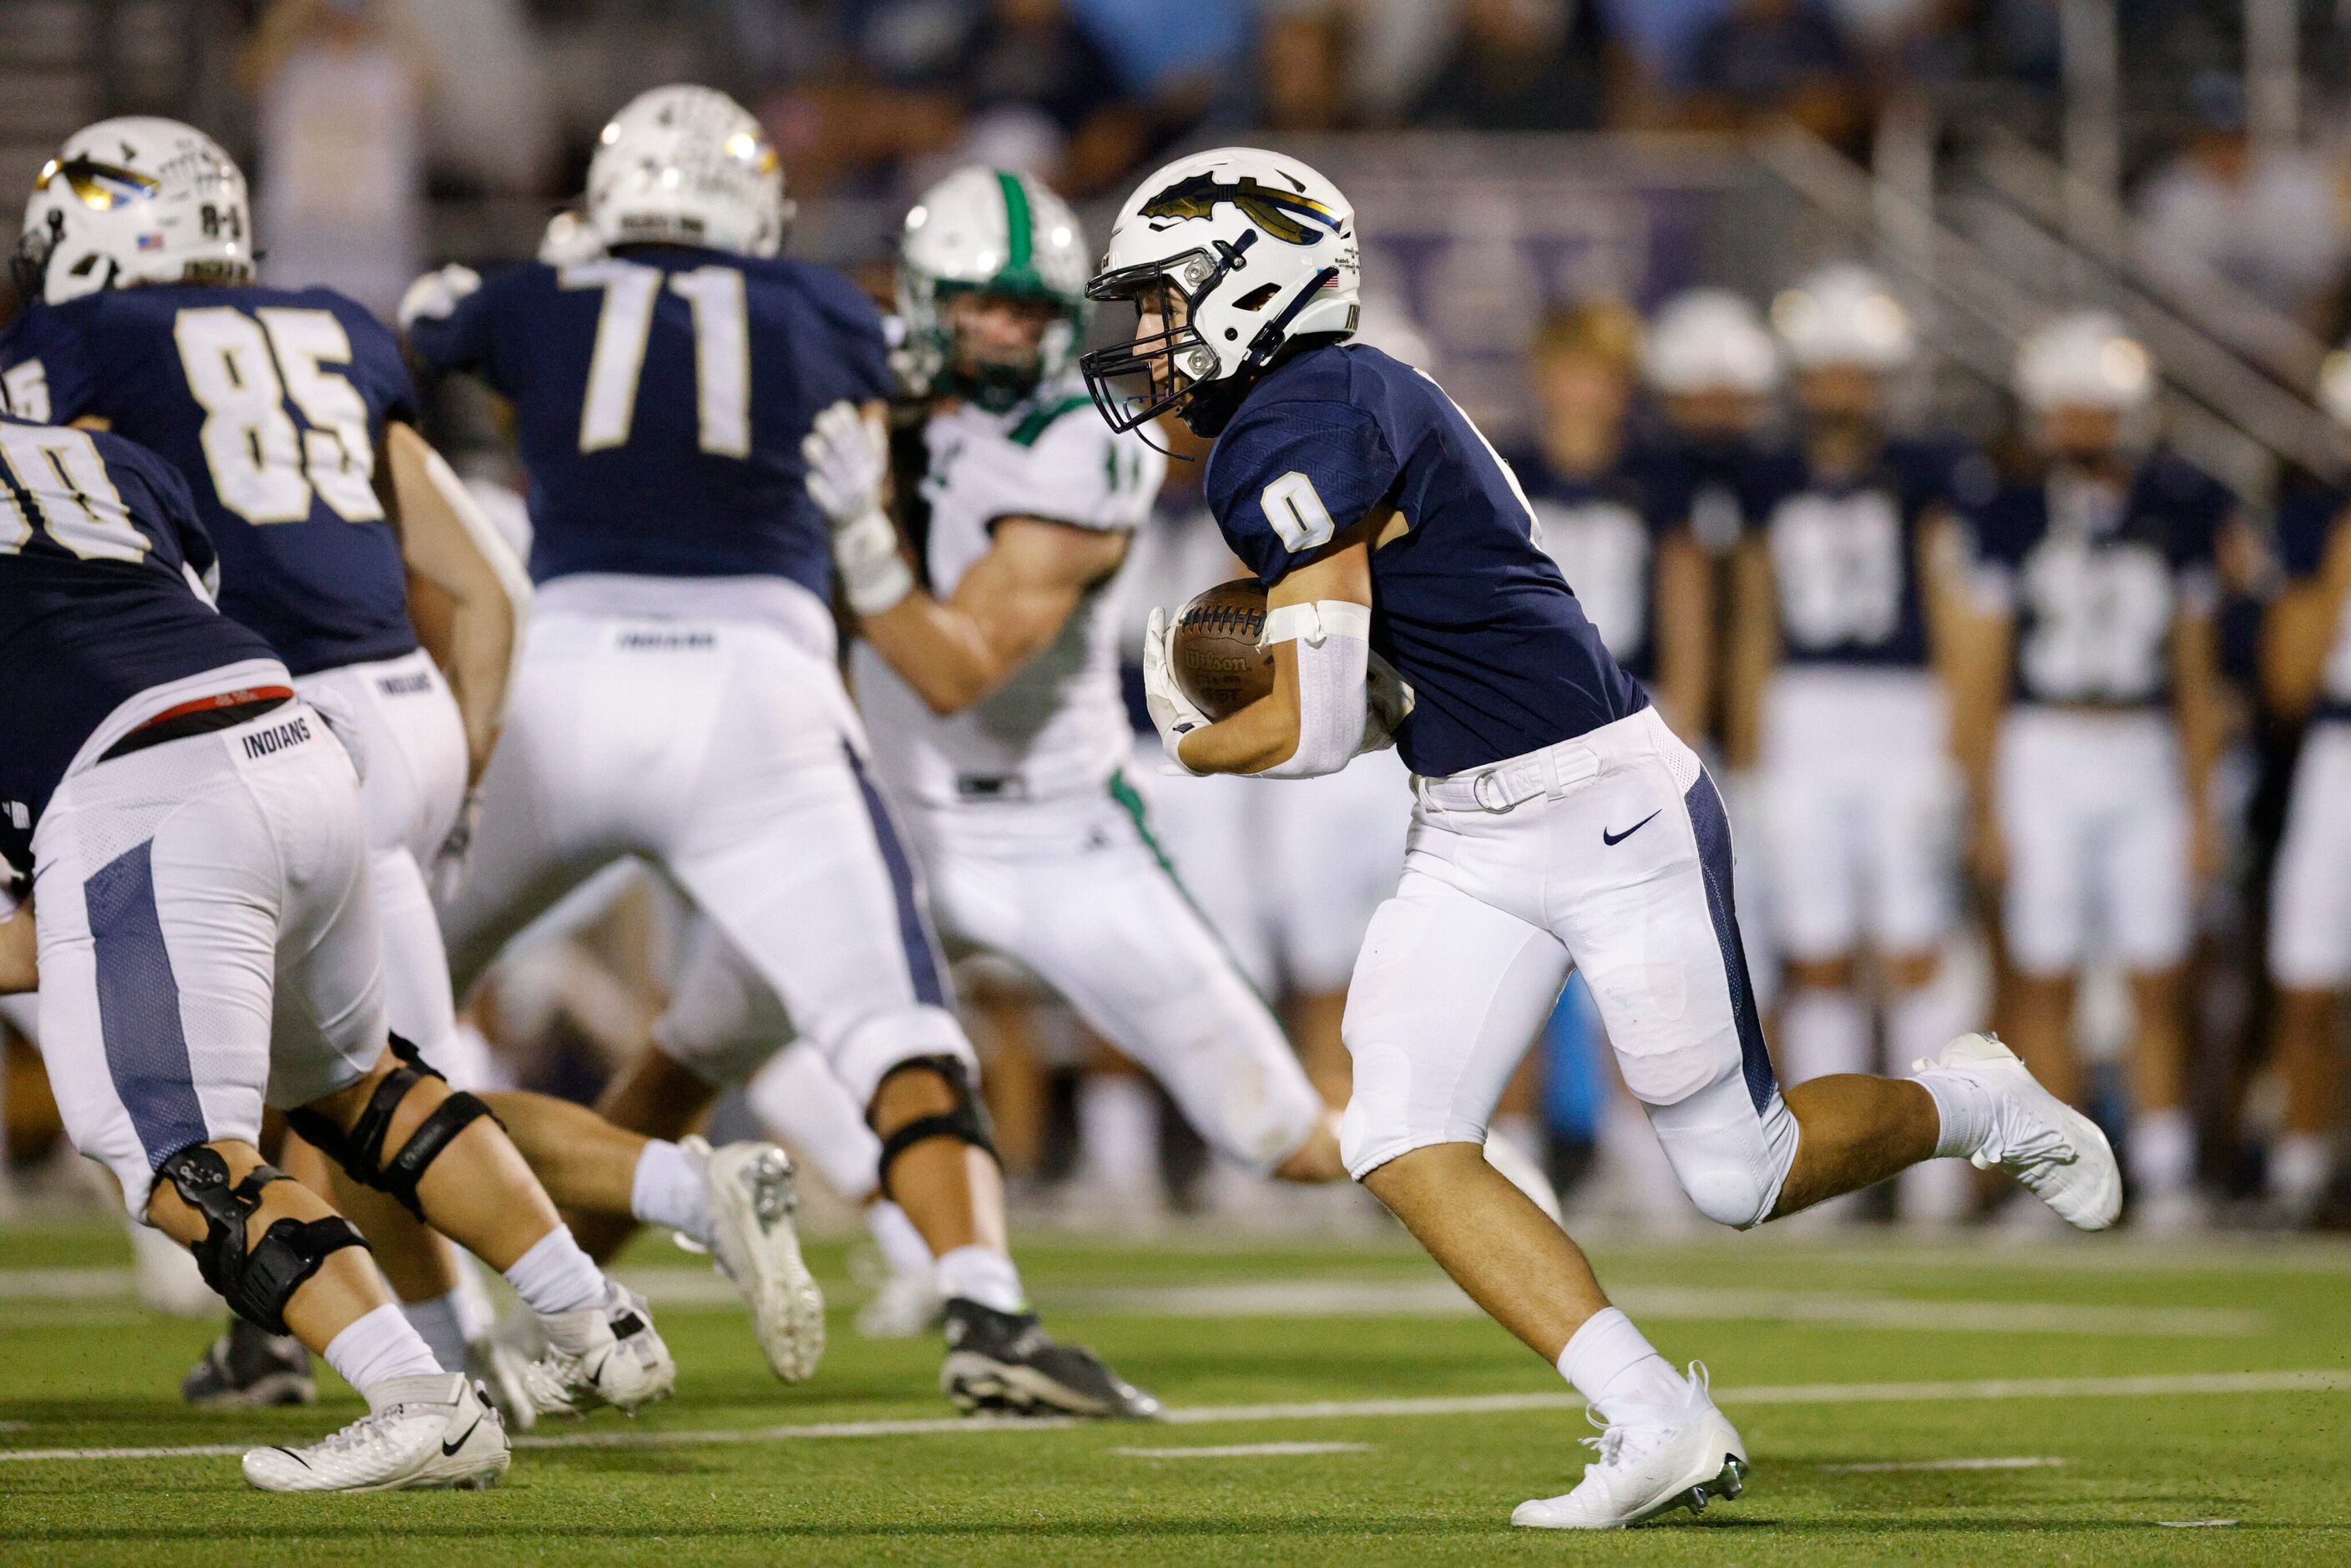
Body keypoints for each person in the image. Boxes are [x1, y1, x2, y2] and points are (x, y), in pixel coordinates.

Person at [1082, 144, 2120, 1528]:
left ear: (1246, 289)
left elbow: (1319, 724)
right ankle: (1655, 1414)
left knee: (1738, 1172)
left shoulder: (1302, 417)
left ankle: (1979, 1099)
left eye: (1161, 298)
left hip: (1603, 803)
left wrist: (1183, 730)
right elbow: (1395, 687)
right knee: (1397, 1125)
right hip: (1469, 819)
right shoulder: (1335, 399)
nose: (1141, 335)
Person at [3, 117, 813, 1413]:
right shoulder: (330, 327)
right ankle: (410, 1342)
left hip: (215, 714)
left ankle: (658, 1199)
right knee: (340, 1080)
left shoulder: (84, 349)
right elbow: (481, 593)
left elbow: (104, 556)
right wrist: (462, 778)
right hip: (399, 710)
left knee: (353, 1094)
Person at [402, 89, 1152, 1419]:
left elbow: (405, 345)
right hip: (760, 686)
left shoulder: (533, 295)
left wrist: (524, 309)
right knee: (898, 1027)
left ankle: (422, 1348)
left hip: (563, 679)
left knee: (359, 1045)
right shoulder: (825, 313)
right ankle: (986, 1304)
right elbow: (915, 394)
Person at [0, 408, 663, 1490]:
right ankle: (596, 1316)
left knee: (176, 1152)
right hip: (288, 733)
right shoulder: (90, 448)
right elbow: (189, 593)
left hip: (141, 784)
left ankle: (418, 1394)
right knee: (359, 1083)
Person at [1957, 312, 2233, 1232]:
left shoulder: (2179, 506)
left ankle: (2164, 1169)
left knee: (2158, 972)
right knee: (2043, 974)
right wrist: (1982, 797)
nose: (2083, 431)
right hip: (2043, 744)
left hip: (2139, 744)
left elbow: (2194, 671)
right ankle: (2055, 1176)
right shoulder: (2007, 508)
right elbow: (1982, 664)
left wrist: (2201, 804)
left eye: (2098, 413)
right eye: (2069, 413)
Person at [1732, 264, 1988, 1218]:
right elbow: (1755, 615)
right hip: (1804, 710)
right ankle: (1833, 1170)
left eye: (1855, 371)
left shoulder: (1927, 469)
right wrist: (1752, 754)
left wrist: (1955, 756)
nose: (1840, 388)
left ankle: (1936, 1169)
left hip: (1897, 707)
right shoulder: (1766, 473)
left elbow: (1954, 610)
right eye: (1826, 370)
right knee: (1818, 952)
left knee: (1915, 945)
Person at [2257, 345, 2351, 1224]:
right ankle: (2297, 1166)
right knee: (2307, 977)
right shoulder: (2314, 522)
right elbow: (2288, 681)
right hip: (2334, 758)